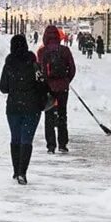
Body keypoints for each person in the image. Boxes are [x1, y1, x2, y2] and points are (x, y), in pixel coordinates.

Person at [0, 34, 47, 185]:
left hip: (13, 107)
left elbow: (3, 87)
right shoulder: (33, 63)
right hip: (31, 108)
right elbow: (42, 84)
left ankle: (15, 170)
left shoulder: (9, 63)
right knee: (26, 139)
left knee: (15, 138)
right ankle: (22, 172)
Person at [38, 24, 77, 154]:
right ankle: (63, 144)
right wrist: (65, 81)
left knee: (49, 115)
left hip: (48, 88)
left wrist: (46, 83)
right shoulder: (65, 50)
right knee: (62, 114)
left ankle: (50, 145)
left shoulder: (42, 51)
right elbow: (72, 69)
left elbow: (40, 70)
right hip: (62, 88)